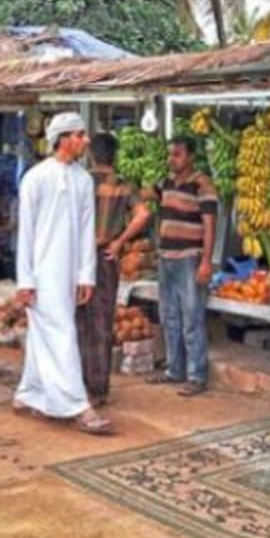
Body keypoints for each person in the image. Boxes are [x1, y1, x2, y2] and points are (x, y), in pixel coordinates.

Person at [13, 112, 112, 435]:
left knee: (49, 333)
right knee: (62, 335)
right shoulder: (35, 178)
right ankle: (77, 404)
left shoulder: (84, 180)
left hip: (69, 272)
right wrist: (25, 280)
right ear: (63, 138)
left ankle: (29, 393)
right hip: (42, 272)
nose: (85, 141)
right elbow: (25, 232)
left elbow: (86, 232)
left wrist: (86, 275)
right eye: (80, 134)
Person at [140, 136, 217, 397]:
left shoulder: (202, 184)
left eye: (177, 155)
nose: (172, 159)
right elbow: (146, 193)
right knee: (169, 316)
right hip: (166, 258)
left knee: (192, 317)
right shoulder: (167, 183)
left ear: (190, 157)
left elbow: (209, 224)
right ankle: (174, 369)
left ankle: (197, 375)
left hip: (189, 258)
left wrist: (206, 261)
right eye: (170, 154)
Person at [78, 133, 149, 407]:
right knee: (102, 323)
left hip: (77, 256)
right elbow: (143, 213)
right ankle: (98, 389)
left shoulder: (79, 181)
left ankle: (78, 383)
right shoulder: (122, 185)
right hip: (105, 256)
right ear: (114, 155)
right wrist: (120, 241)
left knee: (77, 322)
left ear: (91, 154)